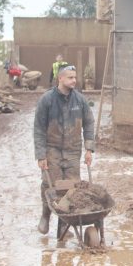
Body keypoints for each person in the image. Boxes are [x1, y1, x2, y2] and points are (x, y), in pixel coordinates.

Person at [34, 64, 95, 237]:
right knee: (50, 185)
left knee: (72, 188)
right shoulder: (47, 100)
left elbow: (89, 123)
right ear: (60, 78)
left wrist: (89, 149)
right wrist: (41, 155)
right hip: (52, 150)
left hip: (73, 151)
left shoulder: (80, 100)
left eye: (75, 77)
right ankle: (45, 215)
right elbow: (38, 128)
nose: (74, 80)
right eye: (70, 77)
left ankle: (64, 224)